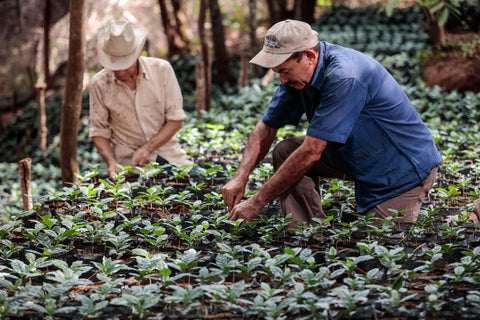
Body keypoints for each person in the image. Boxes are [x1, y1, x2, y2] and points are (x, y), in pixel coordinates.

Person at [221, 20, 442, 227]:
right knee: (286, 151)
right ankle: (306, 232)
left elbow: (311, 152)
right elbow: (267, 127)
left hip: (399, 169)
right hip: (355, 154)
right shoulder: (297, 78)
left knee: (376, 248)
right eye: (278, 72)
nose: (282, 80)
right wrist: (240, 177)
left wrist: (256, 202)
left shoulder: (345, 76)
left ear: (308, 55)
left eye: (285, 71)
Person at [89, 20, 192, 178]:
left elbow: (175, 120)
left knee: (198, 190)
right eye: (115, 65)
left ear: (137, 54)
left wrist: (147, 149)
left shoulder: (162, 70)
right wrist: (111, 162)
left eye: (125, 64)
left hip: (169, 156)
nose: (121, 71)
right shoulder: (99, 84)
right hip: (128, 164)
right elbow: (99, 132)